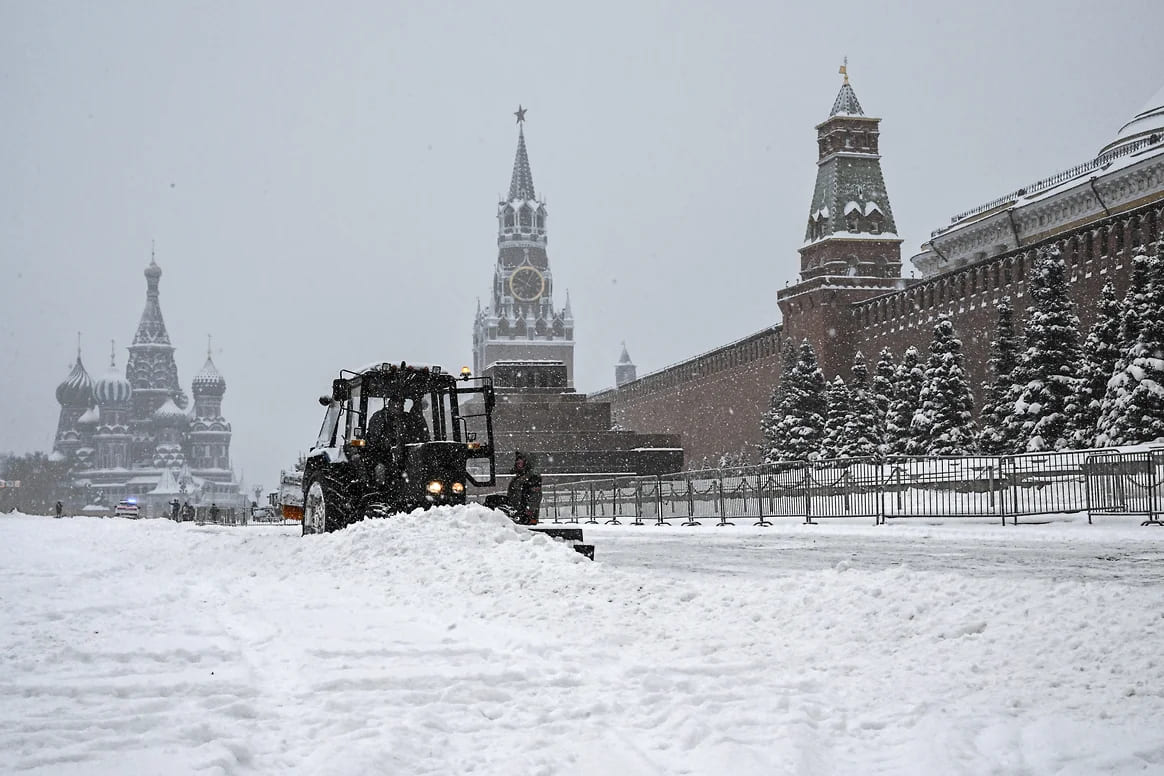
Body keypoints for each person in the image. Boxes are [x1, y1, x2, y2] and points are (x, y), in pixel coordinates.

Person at [485, 451, 542, 525]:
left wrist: (529, 513)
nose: (518, 464)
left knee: (493, 502)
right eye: (517, 462)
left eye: (520, 463)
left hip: (522, 511)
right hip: (514, 505)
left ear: (526, 463)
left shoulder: (532, 477)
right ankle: (486, 521)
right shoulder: (520, 476)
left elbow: (535, 496)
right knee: (491, 500)